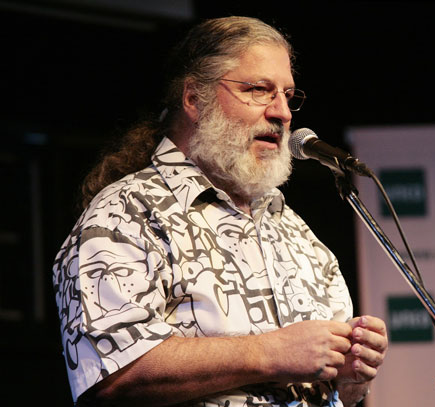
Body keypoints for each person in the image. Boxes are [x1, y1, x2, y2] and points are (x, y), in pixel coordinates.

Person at [52, 16, 388, 407]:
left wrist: (349, 376)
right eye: (259, 90)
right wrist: (269, 354)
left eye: (287, 95)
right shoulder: (124, 214)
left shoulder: (296, 233)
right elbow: (109, 378)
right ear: (194, 99)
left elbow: (333, 394)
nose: (282, 113)